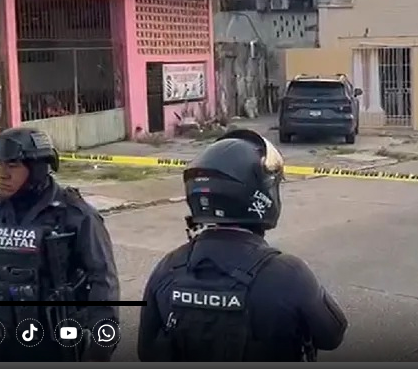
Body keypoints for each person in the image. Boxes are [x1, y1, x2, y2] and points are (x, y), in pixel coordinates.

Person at [137, 129, 347, 362]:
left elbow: (146, 350)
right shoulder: (289, 274)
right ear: (261, 194)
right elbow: (332, 335)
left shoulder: (167, 268)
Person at [0, 127, 121, 362]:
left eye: (12, 166)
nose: (2, 174)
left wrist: (100, 349)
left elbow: (103, 279)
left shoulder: (74, 215)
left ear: (37, 168)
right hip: (3, 340)